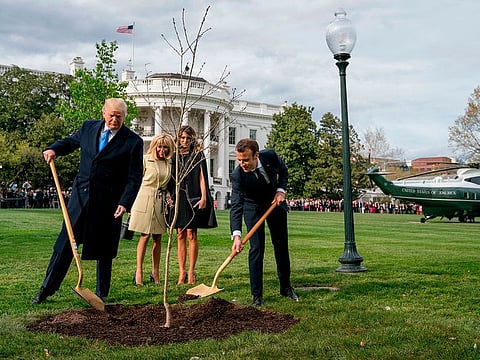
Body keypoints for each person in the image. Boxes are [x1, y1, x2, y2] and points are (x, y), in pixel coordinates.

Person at [31, 98, 143, 305]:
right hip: (80, 198)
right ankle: (46, 288)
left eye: (119, 116)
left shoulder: (133, 141)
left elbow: (134, 177)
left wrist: (125, 202)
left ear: (125, 117)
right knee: (65, 244)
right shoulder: (88, 127)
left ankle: (102, 293)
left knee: (104, 248)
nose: (114, 119)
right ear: (103, 113)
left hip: (109, 203)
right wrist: (54, 148)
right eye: (111, 115)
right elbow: (70, 142)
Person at [230, 138, 298, 307]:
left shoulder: (271, 156)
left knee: (281, 245)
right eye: (239, 160)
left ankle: (286, 287)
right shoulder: (237, 176)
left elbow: (283, 171)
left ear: (256, 155)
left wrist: (280, 191)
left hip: (275, 203)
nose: (242, 163)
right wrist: (236, 235)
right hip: (252, 207)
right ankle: (257, 296)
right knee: (257, 248)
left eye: (245, 159)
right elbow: (237, 206)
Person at [170, 125, 217, 285]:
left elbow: (203, 177)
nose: (185, 141)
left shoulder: (197, 155)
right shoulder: (174, 156)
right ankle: (181, 272)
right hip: (179, 197)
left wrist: (204, 197)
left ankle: (191, 272)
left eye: (188, 138)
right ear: (178, 138)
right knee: (180, 234)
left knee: (192, 234)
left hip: (195, 196)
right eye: (182, 138)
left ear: (192, 139)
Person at [129, 134, 175, 286]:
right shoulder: (145, 159)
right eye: (160, 146)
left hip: (160, 201)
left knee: (158, 237)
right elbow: (135, 181)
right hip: (144, 198)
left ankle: (155, 272)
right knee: (145, 235)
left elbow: (166, 184)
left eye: (165, 147)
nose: (162, 150)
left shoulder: (169, 163)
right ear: (154, 146)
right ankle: (139, 271)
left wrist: (168, 196)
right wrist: (129, 203)